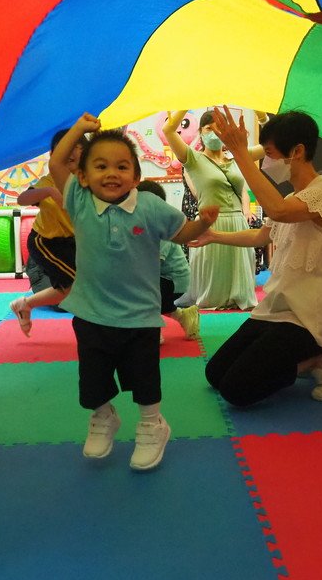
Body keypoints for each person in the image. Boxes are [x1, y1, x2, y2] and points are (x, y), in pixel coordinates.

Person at [49, 114, 217, 471]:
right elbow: (56, 163)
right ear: (83, 176)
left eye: (122, 166)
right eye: (101, 166)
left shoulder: (150, 207)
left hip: (140, 316)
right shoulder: (79, 200)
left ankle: (152, 424)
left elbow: (183, 234)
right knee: (92, 379)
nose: (112, 173)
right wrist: (78, 129)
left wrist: (203, 222)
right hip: (91, 312)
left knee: (144, 379)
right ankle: (103, 416)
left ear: (136, 177)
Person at [198, 109, 322, 405]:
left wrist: (240, 153)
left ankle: (320, 357)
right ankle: (302, 359)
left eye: (269, 154)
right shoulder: (293, 198)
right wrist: (214, 236)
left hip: (312, 314)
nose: (266, 162)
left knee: (235, 391)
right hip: (282, 304)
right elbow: (260, 236)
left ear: (297, 152)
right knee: (215, 374)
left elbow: (278, 211)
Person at [163, 109, 257, 310]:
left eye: (218, 129)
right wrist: (186, 103)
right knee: (211, 275)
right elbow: (168, 130)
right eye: (208, 128)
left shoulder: (237, 157)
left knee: (239, 269)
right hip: (209, 223)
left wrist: (264, 118)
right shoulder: (193, 158)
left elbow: (270, 147)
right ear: (200, 132)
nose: (214, 133)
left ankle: (238, 296)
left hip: (237, 221)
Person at [9, 129, 87, 335]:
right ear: (54, 156)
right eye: (63, 149)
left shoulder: (87, 180)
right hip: (46, 242)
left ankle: (24, 304)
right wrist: (49, 192)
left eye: (76, 147)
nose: (70, 153)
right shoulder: (50, 181)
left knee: (65, 290)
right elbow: (22, 199)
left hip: (73, 242)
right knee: (78, 286)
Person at [135, 180, 201, 340]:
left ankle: (152, 329)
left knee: (140, 290)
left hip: (173, 281)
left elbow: (153, 263)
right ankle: (184, 316)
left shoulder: (160, 228)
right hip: (163, 278)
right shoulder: (143, 225)